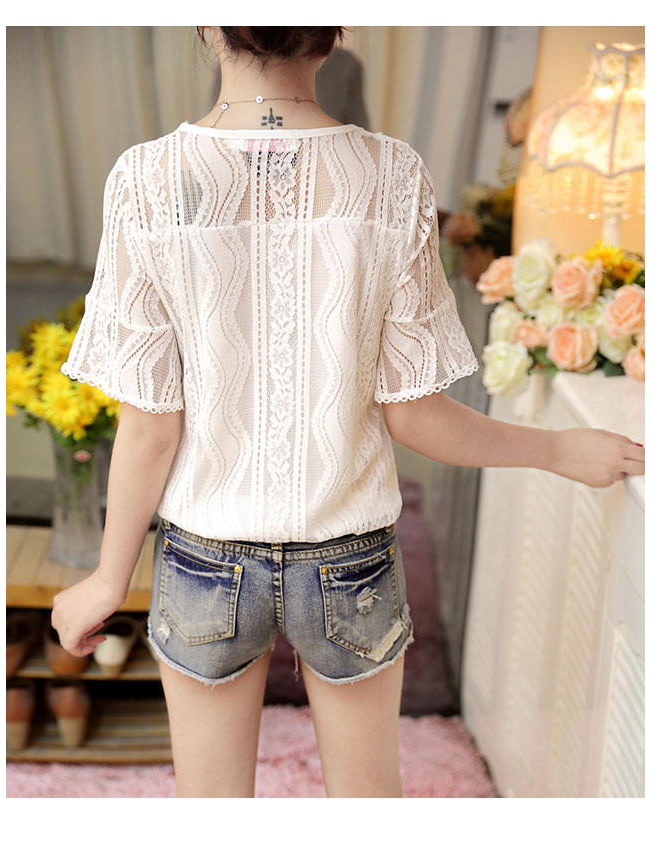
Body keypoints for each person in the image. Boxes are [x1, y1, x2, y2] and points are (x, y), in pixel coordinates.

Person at [51, 26, 645, 798]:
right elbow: (417, 418)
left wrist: (108, 576)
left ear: (206, 25)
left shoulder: (143, 179)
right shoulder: (392, 175)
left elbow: (151, 427)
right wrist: (558, 449)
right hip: (350, 560)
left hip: (204, 560)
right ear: (334, 35)